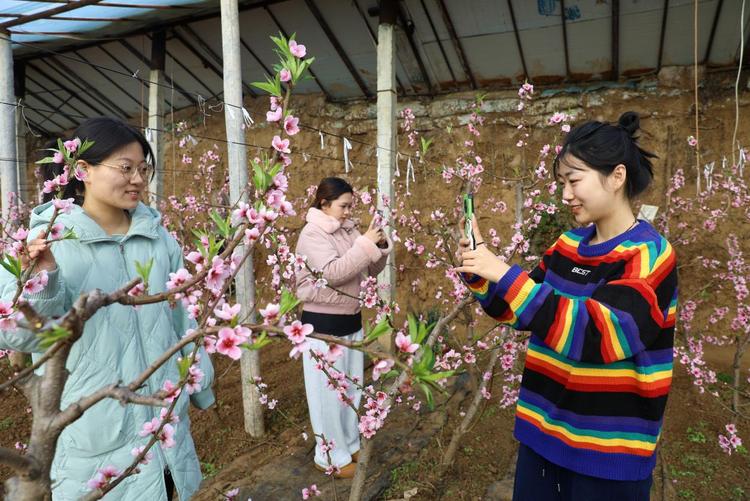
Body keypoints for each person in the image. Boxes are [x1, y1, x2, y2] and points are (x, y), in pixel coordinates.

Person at [456, 112, 677, 501]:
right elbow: (522, 311)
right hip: (542, 436)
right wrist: (481, 273)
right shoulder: (567, 245)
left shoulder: (649, 254)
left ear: (617, 177)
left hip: (608, 454)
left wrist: (505, 274)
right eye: (561, 183)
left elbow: (601, 334)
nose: (565, 195)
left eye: (574, 181)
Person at [0, 117, 215, 500]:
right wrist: (46, 276)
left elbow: (185, 318)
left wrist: (197, 387)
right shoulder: (44, 242)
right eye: (125, 168)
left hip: (165, 429)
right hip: (96, 436)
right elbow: (17, 334)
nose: (137, 179)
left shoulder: (158, 237)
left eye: (143, 169)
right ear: (82, 169)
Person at [295, 177, 393, 479]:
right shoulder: (312, 234)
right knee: (326, 395)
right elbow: (332, 273)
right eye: (344, 206)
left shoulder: (348, 230)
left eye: (352, 205)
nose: (349, 211)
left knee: (350, 389)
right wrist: (364, 244)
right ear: (324, 204)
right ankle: (328, 457)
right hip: (323, 327)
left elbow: (367, 269)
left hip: (351, 320)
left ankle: (348, 444)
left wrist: (379, 247)